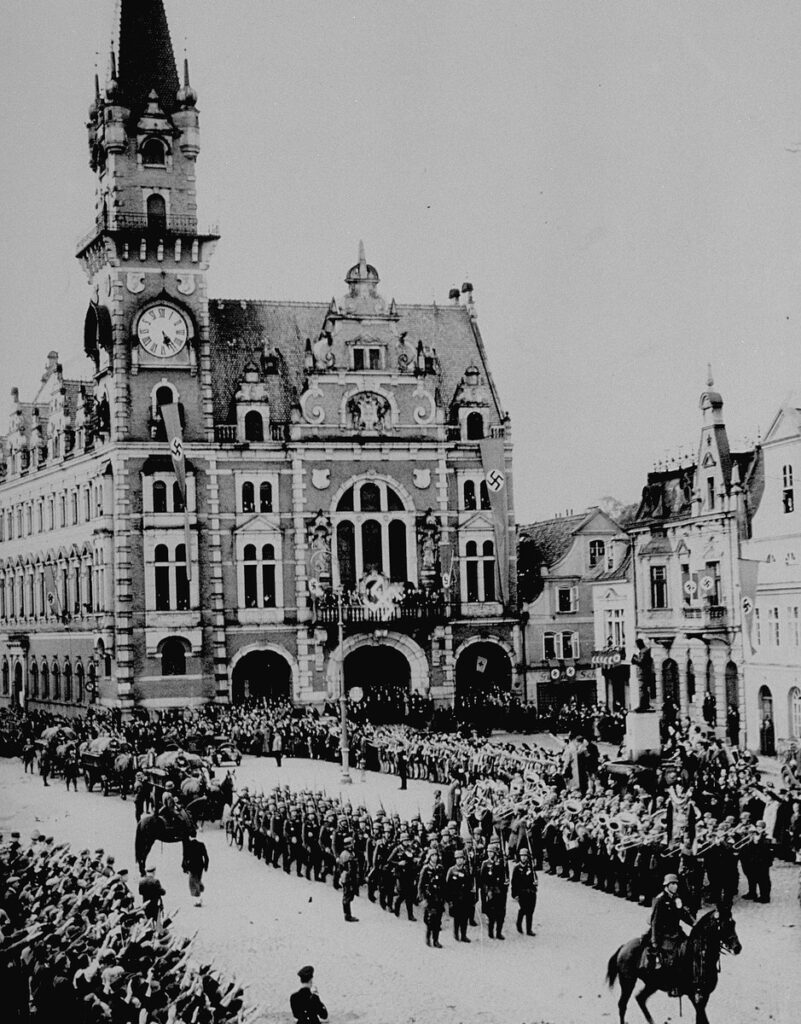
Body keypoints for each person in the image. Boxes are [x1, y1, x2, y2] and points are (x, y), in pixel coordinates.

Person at [645, 873, 694, 995]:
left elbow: (683, 914)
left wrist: (695, 924)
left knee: (689, 949)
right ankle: (672, 985)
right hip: (664, 934)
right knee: (672, 957)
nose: (675, 886)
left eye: (676, 884)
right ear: (666, 885)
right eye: (672, 884)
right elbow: (655, 922)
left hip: (676, 931)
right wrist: (655, 941)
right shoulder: (660, 899)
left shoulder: (676, 898)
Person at [479, 843, 508, 940]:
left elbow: (505, 877)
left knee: (501, 913)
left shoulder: (500, 862)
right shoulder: (485, 864)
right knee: (491, 914)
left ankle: (499, 932)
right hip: (490, 891)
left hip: (500, 891)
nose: (490, 854)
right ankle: (491, 931)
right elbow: (482, 880)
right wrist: (486, 891)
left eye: (492, 852)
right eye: (489, 852)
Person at [417, 850, 445, 948]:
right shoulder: (425, 869)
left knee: (438, 920)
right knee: (430, 919)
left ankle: (436, 940)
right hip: (429, 898)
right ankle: (428, 937)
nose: (435, 857)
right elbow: (420, 885)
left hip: (439, 898)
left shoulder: (440, 868)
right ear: (429, 857)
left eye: (436, 855)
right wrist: (422, 898)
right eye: (432, 856)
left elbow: (443, 884)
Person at [510, 846, 538, 935]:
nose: (524, 857)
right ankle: (519, 923)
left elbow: (535, 878)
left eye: (525, 856)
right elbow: (513, 882)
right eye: (522, 856)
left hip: (531, 891)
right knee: (524, 909)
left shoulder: (531, 867)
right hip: (521, 892)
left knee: (531, 911)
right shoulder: (517, 868)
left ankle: (529, 929)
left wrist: (536, 882)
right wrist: (514, 894)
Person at [182, 836, 209, 907]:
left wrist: (185, 868)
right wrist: (206, 866)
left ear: (190, 837)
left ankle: (198, 900)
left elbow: (185, 857)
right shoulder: (201, 844)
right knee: (197, 879)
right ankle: (200, 886)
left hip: (192, 867)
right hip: (200, 866)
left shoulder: (188, 845)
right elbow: (206, 857)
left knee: (193, 883)